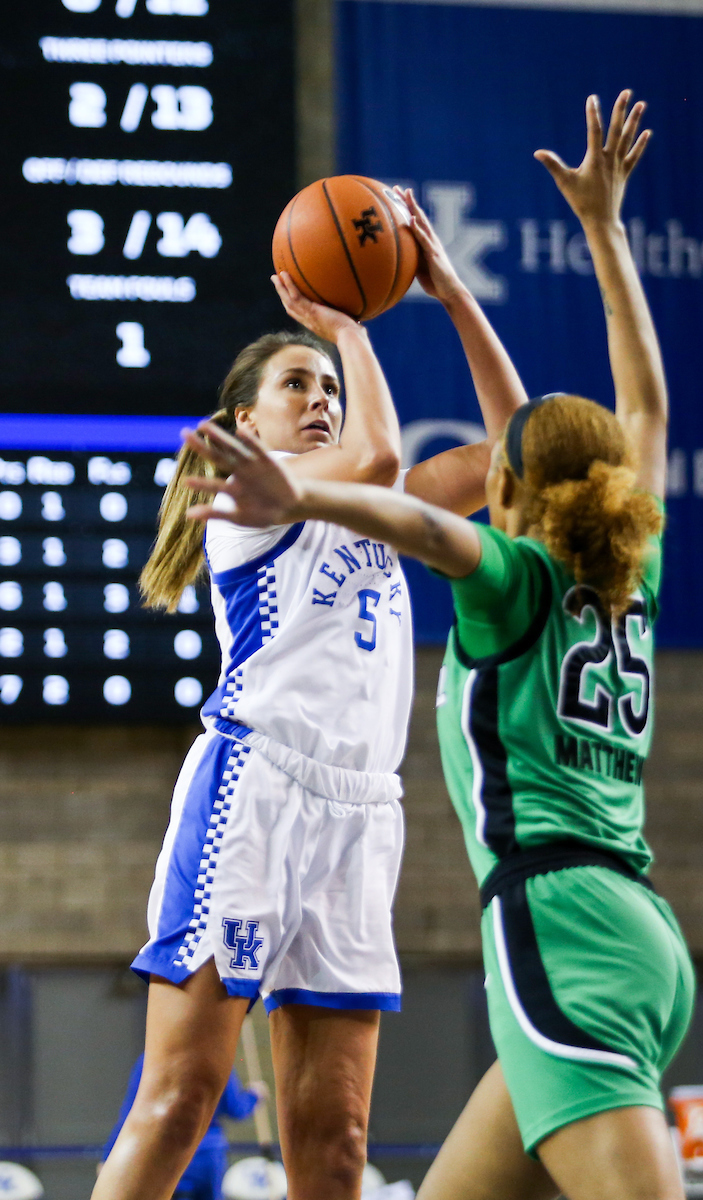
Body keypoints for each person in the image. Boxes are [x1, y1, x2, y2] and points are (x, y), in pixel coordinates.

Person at [182, 91, 695, 1200]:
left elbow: (409, 513)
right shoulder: (629, 565)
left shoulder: (509, 581)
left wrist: (357, 343)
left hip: (558, 924)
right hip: (640, 929)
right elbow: (644, 406)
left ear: (503, 492)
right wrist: (573, 243)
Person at [91, 199, 529, 1200]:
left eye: (331, 385)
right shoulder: (243, 501)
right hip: (256, 788)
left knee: (334, 1140)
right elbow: (373, 457)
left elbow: (515, 455)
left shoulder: (378, 508)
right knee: (180, 1100)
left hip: (362, 812)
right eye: (298, 384)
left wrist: (452, 292)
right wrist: (345, 321)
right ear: (244, 423)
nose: (322, 396)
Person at [100, 1055, 267, 1200]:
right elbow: (235, 1108)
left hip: (168, 1154)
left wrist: (109, 1156)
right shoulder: (218, 1059)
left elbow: (132, 1115)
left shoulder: (150, 1060)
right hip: (208, 1156)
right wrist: (255, 1095)